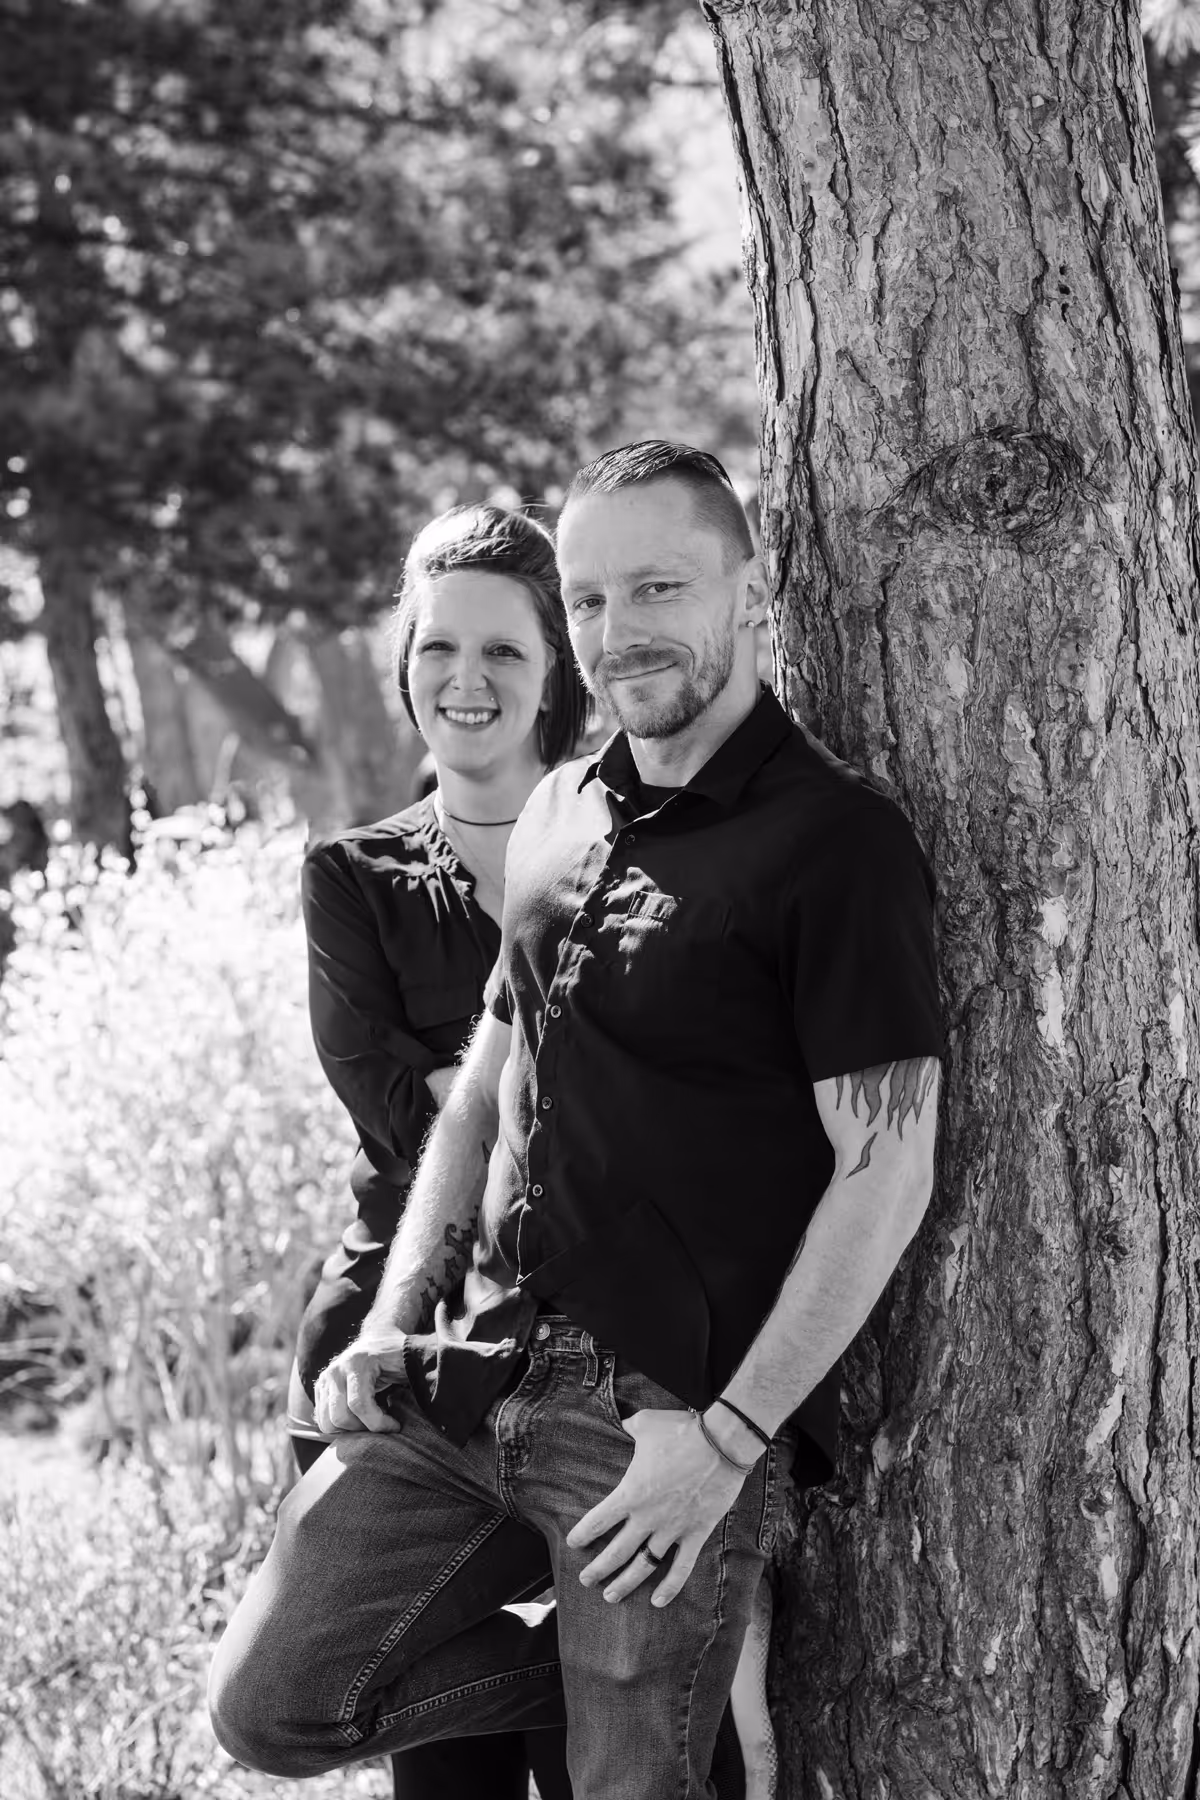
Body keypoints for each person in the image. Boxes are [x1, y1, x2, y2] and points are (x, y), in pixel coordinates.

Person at [210, 441, 944, 1798]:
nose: (620, 634)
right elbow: (486, 1083)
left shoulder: (834, 844)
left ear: (750, 590)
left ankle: (650, 1675)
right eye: (593, 600)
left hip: (661, 1416)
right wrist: (399, 1316)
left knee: (626, 1790)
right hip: (475, 1368)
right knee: (272, 1704)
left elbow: (887, 1167)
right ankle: (629, 1674)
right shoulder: (563, 807)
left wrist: (727, 1441)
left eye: (657, 588)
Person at [286, 501, 585, 1800]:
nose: (465, 681)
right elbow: (397, 1114)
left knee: (603, 1754)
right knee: (442, 1762)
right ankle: (581, 1664)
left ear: (554, 671)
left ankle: (601, 1667)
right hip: (391, 1331)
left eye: (504, 652)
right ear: (404, 662)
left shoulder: (629, 850)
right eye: (436, 648)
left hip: (592, 1332)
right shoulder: (348, 877)